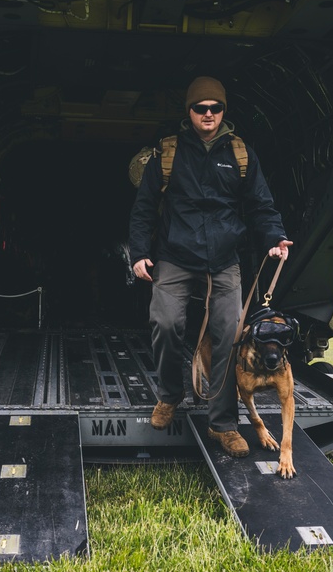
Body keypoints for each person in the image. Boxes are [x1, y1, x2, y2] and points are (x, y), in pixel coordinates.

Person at [128, 76, 291, 458]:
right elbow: (144, 207)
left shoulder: (239, 154)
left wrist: (275, 237)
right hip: (175, 255)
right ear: (189, 111)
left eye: (215, 108)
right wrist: (138, 252)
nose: (208, 114)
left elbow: (261, 204)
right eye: (201, 108)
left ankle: (223, 424)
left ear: (223, 112)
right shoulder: (168, 153)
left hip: (223, 260)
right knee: (165, 323)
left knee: (227, 337)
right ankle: (170, 396)